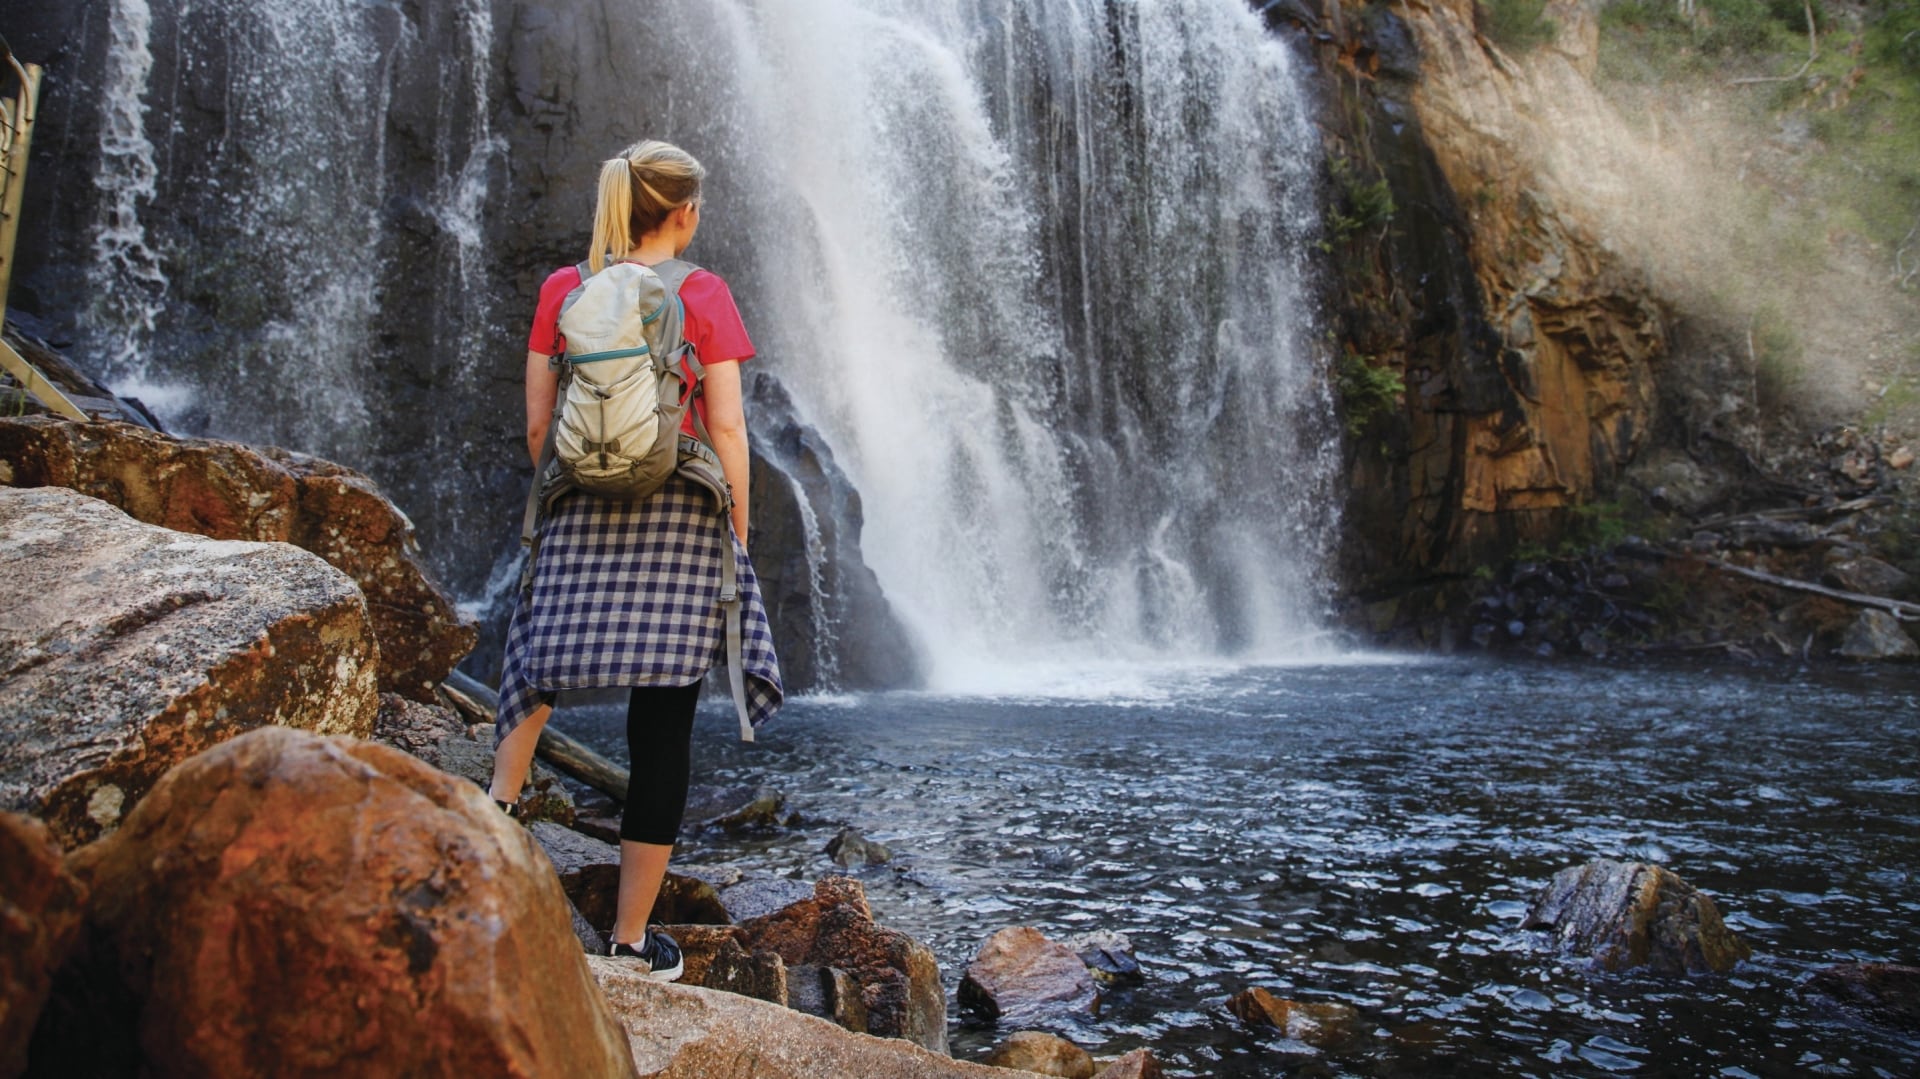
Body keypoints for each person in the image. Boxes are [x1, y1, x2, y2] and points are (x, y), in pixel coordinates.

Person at [487, 139, 782, 980]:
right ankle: (626, 942)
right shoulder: (704, 291)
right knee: (662, 727)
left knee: (537, 664)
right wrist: (737, 528)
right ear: (684, 213)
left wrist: (572, 489)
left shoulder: (564, 287)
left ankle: (489, 822)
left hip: (579, 501)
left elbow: (539, 424)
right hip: (681, 511)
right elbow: (727, 426)